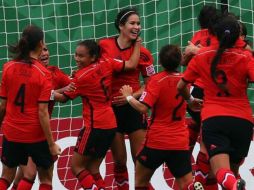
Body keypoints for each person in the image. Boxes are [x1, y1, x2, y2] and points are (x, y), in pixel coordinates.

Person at [177, 15, 254, 190]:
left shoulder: (202, 55)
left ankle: (233, 185)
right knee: (231, 173)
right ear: (238, 36)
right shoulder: (246, 57)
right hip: (243, 121)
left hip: (214, 117)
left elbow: (180, 86)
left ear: (215, 35)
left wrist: (190, 100)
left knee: (221, 172)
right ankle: (233, 184)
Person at [53, 38, 141, 189]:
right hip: (110, 124)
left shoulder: (81, 78)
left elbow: (62, 99)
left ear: (93, 57)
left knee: (76, 167)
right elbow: (132, 64)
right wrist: (137, 44)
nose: (77, 59)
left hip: (94, 126)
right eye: (76, 55)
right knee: (93, 169)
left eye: (81, 56)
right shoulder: (107, 62)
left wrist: (46, 92)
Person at [119, 44, 203, 190]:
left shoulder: (156, 81)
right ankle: (191, 187)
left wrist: (128, 97)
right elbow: (191, 103)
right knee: (185, 183)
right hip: (179, 141)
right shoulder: (185, 82)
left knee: (140, 183)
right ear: (179, 61)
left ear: (160, 62)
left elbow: (142, 108)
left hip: (157, 141)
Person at [99, 7, 155, 190]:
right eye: (132, 23)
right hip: (111, 110)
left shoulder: (144, 53)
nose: (137, 27)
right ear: (121, 26)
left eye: (138, 23)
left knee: (140, 161)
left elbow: (151, 84)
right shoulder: (104, 46)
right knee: (119, 161)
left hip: (133, 109)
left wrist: (132, 96)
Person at [0, 25, 61, 190]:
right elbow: (42, 113)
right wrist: (51, 144)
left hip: (11, 133)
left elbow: (3, 106)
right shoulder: (44, 74)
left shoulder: (8, 68)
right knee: (46, 178)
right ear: (41, 43)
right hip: (35, 136)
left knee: (6, 176)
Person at [10, 44, 73, 190]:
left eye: (46, 49)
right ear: (31, 54)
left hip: (39, 131)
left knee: (25, 173)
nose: (44, 53)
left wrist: (81, 76)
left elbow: (70, 90)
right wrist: (57, 92)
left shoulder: (54, 72)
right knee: (35, 174)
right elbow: (42, 96)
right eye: (40, 50)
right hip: (27, 130)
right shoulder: (27, 73)